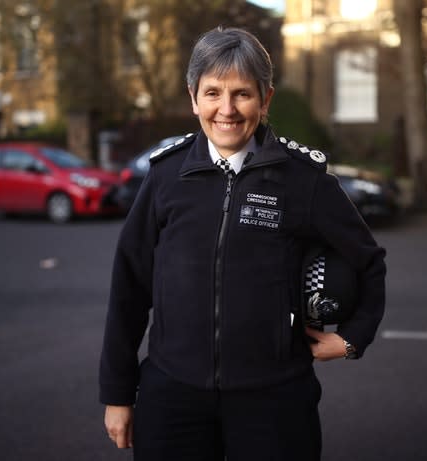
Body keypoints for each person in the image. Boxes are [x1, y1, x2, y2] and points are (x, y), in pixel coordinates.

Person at [99, 26, 386, 461]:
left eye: (242, 94)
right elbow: (129, 287)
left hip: (274, 400)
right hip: (172, 396)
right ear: (194, 97)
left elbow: (369, 262)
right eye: (213, 93)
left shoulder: (302, 180)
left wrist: (351, 339)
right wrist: (118, 394)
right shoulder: (165, 176)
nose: (226, 110)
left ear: (266, 99)